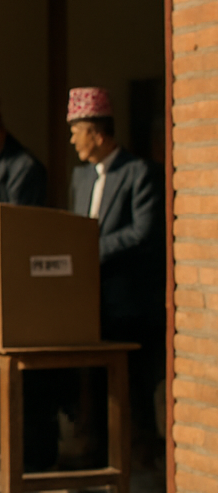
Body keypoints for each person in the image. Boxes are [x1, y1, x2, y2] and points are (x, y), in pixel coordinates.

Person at [68, 86, 165, 464]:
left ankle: (141, 455)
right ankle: (96, 450)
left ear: (96, 131)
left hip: (128, 304)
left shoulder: (138, 172)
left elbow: (142, 232)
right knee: (92, 382)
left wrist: (91, 250)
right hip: (90, 302)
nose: (73, 140)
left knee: (135, 386)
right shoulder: (81, 178)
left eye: (77, 131)